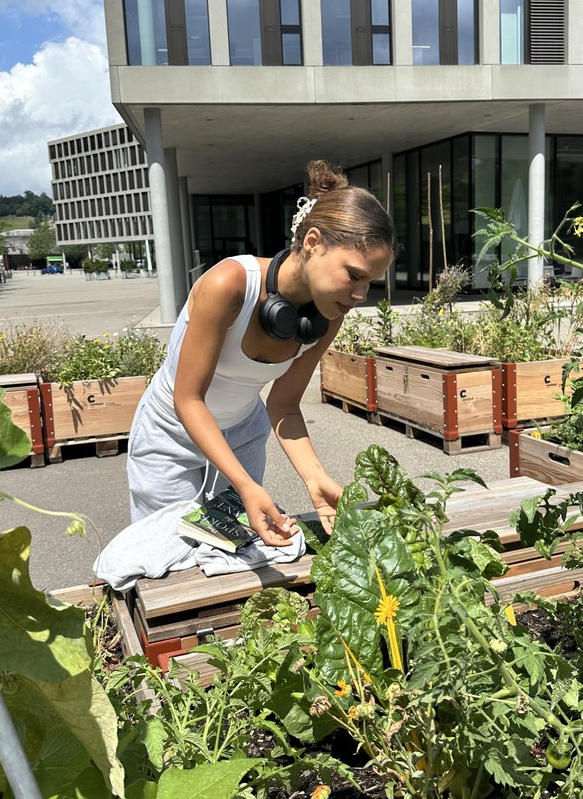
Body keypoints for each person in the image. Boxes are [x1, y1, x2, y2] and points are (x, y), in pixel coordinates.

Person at [126, 160, 397, 546]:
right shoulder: (229, 284)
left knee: (231, 556)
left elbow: (284, 406)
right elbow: (188, 399)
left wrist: (314, 478)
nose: (359, 295)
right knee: (166, 554)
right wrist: (244, 484)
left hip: (242, 434)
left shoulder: (328, 313)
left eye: (370, 282)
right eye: (353, 275)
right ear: (313, 242)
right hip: (171, 436)